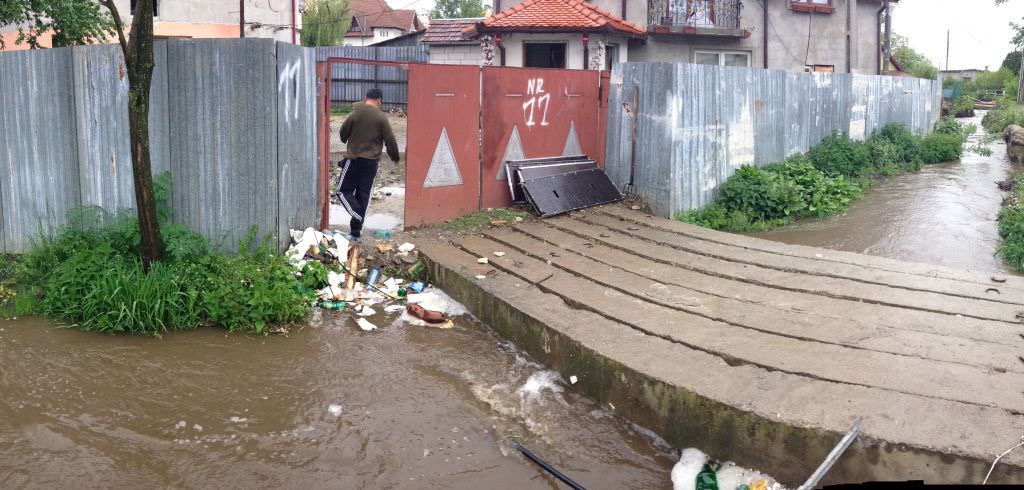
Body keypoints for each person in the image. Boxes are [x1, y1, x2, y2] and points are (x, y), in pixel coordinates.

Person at [336, 88, 400, 240]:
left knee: (342, 191)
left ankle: (356, 218)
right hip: (371, 164)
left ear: (366, 98)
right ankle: (356, 232)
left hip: (353, 160)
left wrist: (346, 139)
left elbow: (342, 133)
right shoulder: (381, 117)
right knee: (363, 196)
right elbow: (390, 140)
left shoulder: (355, 113)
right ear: (379, 100)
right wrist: (395, 157)